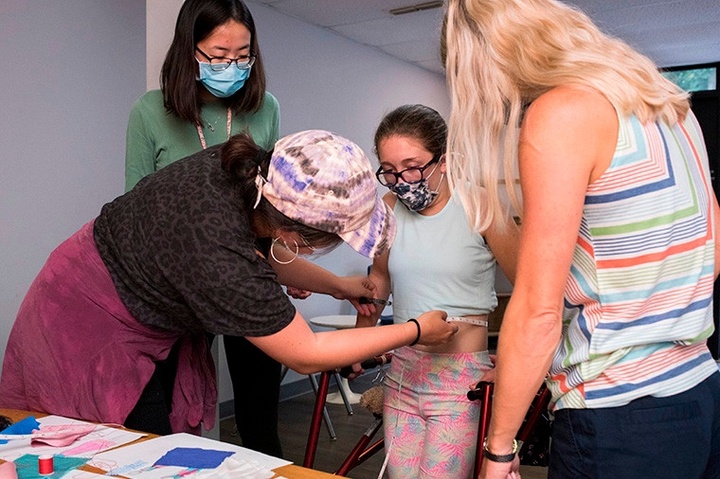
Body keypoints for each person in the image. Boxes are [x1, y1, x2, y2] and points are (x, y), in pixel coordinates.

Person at [0, 130, 458, 440]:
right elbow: (305, 354)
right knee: (132, 451)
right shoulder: (216, 247)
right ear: (290, 234)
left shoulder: (247, 173)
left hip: (139, 292)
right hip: (84, 322)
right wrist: (416, 330)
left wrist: (339, 285)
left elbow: (260, 257)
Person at [442, 1, 720, 478]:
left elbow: (537, 310)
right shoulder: (669, 106)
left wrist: (499, 449)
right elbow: (709, 259)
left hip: (618, 415)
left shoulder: (562, 113)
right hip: (699, 392)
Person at [124, 0, 286, 456]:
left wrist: (278, 261)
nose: (231, 66)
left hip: (245, 272)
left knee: (260, 420)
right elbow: (136, 210)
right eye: (217, 55)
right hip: (177, 288)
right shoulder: (149, 112)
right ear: (188, 50)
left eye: (242, 55)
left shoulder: (265, 108)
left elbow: (270, 202)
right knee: (169, 419)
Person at [355, 104, 519, 478]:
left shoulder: (481, 205)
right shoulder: (390, 207)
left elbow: (530, 286)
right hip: (404, 372)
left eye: (413, 166)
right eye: (390, 171)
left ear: (443, 160)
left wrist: (509, 363)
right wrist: (359, 342)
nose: (403, 180)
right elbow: (378, 279)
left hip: (461, 379)